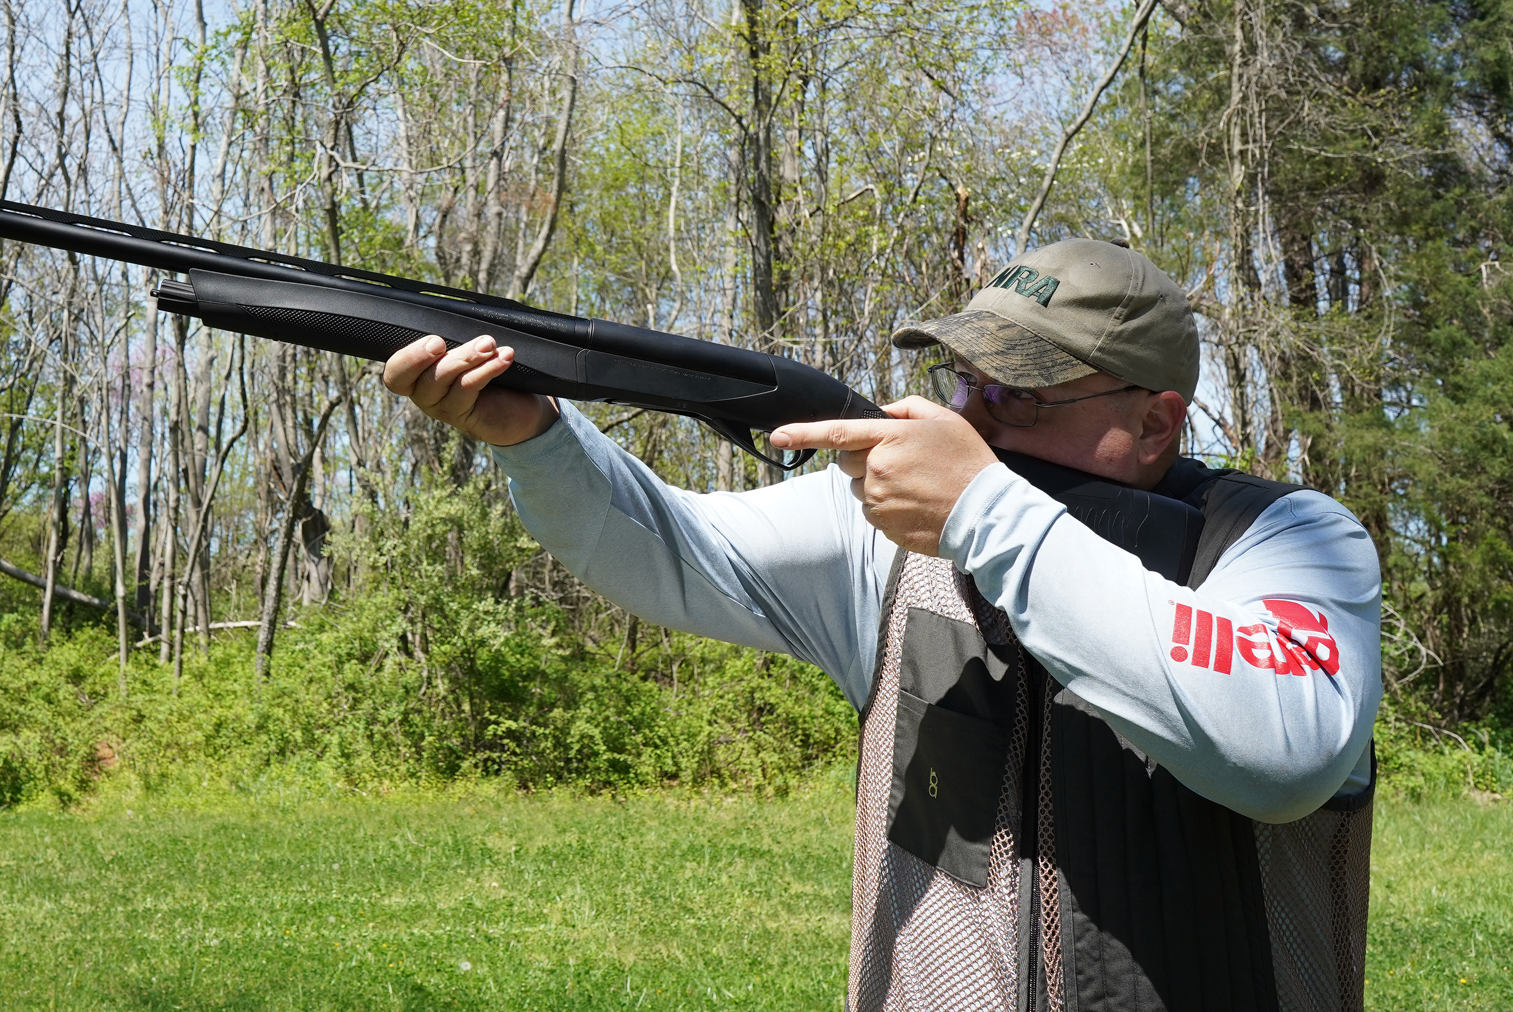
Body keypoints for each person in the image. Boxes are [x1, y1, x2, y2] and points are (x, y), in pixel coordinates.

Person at [382, 238, 1380, 1012]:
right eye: (964, 382)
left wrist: (987, 511)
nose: (971, 420)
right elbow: (666, 552)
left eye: (1016, 395)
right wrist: (539, 442)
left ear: (1156, 422)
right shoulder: (894, 533)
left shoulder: (1284, 542)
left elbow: (1280, 747)